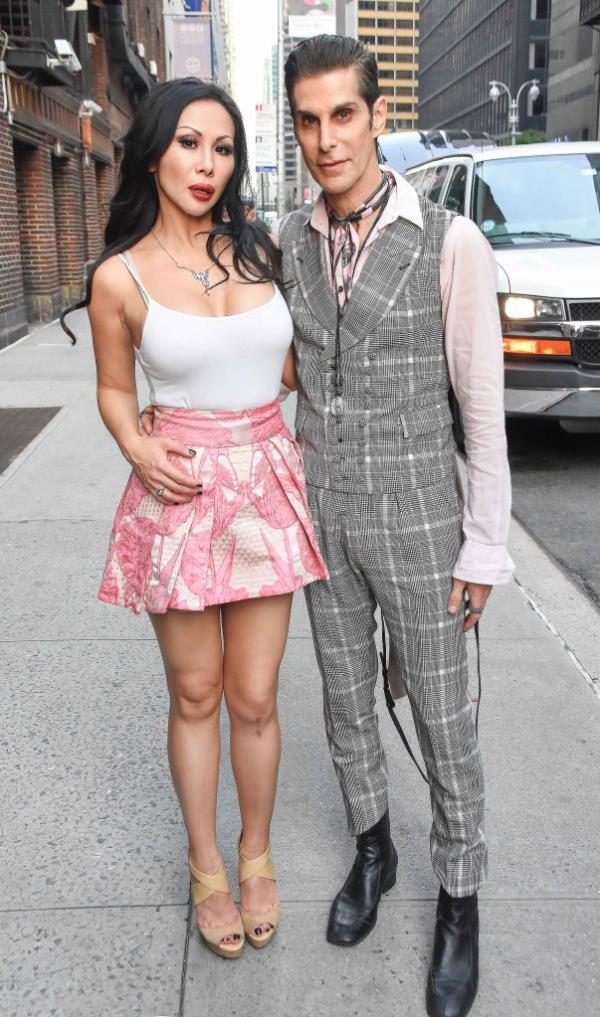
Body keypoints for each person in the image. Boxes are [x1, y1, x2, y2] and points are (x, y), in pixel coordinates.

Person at [61, 77, 327, 960]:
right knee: (197, 691)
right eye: (187, 143)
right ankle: (205, 858)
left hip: (265, 484)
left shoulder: (262, 251)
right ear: (152, 153)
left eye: (221, 147)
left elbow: (287, 362)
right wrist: (135, 445)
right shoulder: (120, 274)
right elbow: (111, 387)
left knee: (254, 693)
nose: (205, 164)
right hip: (177, 494)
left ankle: (255, 852)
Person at [279, 35, 513, 1017]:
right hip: (320, 510)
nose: (327, 138)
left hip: (422, 509)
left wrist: (486, 543)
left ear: (378, 115)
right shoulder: (287, 239)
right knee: (342, 700)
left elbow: (483, 408)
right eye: (308, 118)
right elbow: (284, 365)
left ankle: (458, 896)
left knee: (444, 717)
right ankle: (373, 849)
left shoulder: (449, 240)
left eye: (344, 114)